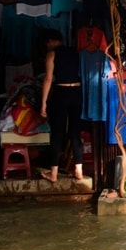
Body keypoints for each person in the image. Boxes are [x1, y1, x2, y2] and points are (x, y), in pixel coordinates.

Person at [39, 29, 85, 182]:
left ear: (51, 41)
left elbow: (48, 79)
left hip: (61, 92)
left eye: (47, 43)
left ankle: (53, 174)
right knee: (75, 132)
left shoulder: (52, 54)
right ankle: (79, 171)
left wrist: (43, 103)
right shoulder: (76, 52)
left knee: (57, 133)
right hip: (77, 93)